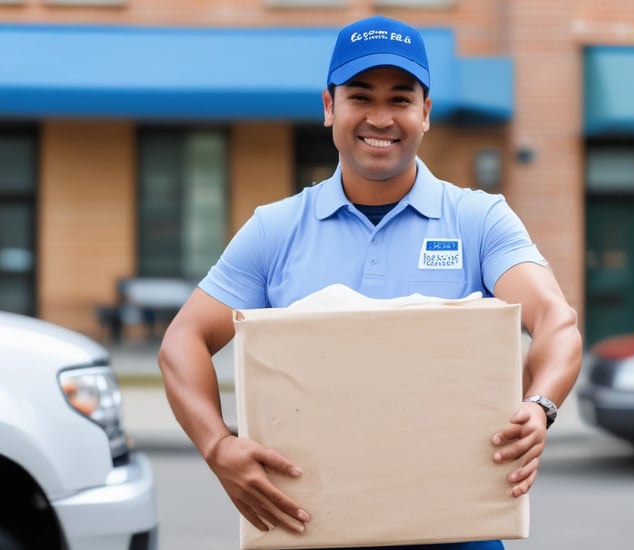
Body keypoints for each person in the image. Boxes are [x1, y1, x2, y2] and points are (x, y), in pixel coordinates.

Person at [158, 15, 582, 550]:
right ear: (329, 106)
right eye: (361, 97)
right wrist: (217, 445)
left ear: (424, 113)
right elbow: (182, 341)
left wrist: (540, 407)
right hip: (314, 527)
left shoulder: (478, 220)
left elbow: (556, 322)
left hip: (456, 531)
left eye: (400, 100)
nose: (380, 118)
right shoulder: (276, 229)